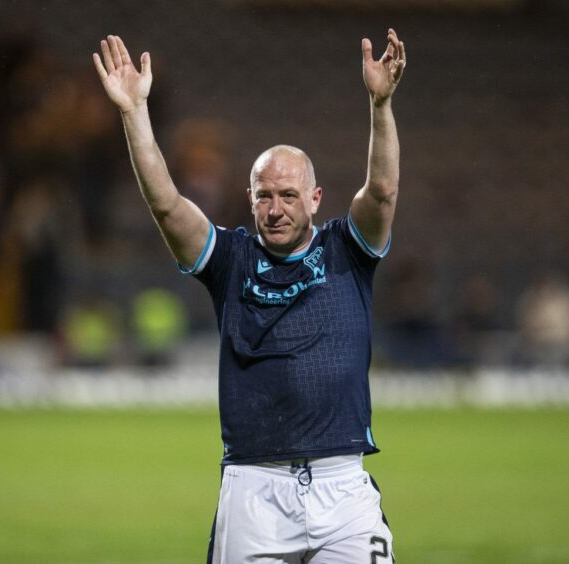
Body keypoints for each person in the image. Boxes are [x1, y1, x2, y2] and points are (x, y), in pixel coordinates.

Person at [94, 29, 405, 563]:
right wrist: (134, 113)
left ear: (315, 199)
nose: (277, 208)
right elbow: (168, 206)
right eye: (265, 196)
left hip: (342, 486)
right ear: (250, 200)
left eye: (289, 195)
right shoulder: (229, 261)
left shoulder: (347, 251)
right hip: (253, 489)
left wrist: (380, 104)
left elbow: (381, 192)